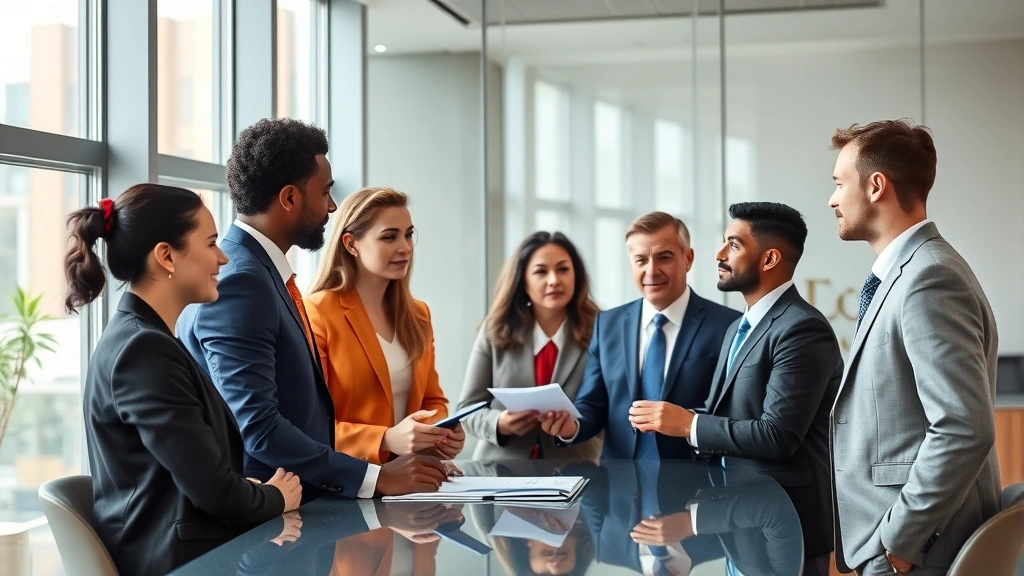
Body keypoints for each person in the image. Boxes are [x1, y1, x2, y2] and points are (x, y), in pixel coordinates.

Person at [178, 119, 447, 503]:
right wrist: (375, 477)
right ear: (290, 198)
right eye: (325, 193)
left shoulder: (260, 274)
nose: (332, 207)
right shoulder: (243, 281)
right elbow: (259, 427)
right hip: (265, 512)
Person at [66, 184, 302, 575]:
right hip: (180, 562)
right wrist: (275, 497)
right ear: (166, 256)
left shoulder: (148, 339)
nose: (223, 258)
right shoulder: (143, 351)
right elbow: (214, 490)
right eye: (210, 244)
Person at [828, 120, 1001, 575]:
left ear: (876, 186)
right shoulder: (909, 273)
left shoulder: (929, 278)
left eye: (839, 183)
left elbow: (963, 428)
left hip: (921, 550)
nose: (832, 199)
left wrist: (898, 545)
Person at [682, 201, 842, 576]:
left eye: (733, 245)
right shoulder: (737, 328)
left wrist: (687, 426)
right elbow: (725, 415)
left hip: (785, 530)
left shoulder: (803, 328)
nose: (719, 254)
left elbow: (778, 436)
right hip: (736, 523)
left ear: (769, 259)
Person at [541, 212, 740, 460]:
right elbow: (592, 405)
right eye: (640, 260)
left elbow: (734, 415)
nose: (651, 270)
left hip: (697, 484)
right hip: (619, 487)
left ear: (688, 259)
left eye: (664, 257)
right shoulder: (607, 324)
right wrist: (571, 426)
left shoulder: (729, 326)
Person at [304, 187, 463, 464]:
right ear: (351, 244)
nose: (405, 247)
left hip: (412, 483)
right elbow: (308, 425)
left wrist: (441, 431)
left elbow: (433, 402)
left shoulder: (418, 315)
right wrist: (386, 439)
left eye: (408, 234)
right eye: (389, 237)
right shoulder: (317, 312)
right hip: (349, 482)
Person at [458, 231, 602, 461]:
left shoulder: (603, 331)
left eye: (563, 269)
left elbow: (610, 411)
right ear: (523, 281)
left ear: (577, 276)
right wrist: (499, 424)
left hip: (576, 473)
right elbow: (467, 409)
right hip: (501, 473)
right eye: (540, 271)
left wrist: (573, 426)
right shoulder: (495, 330)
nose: (554, 280)